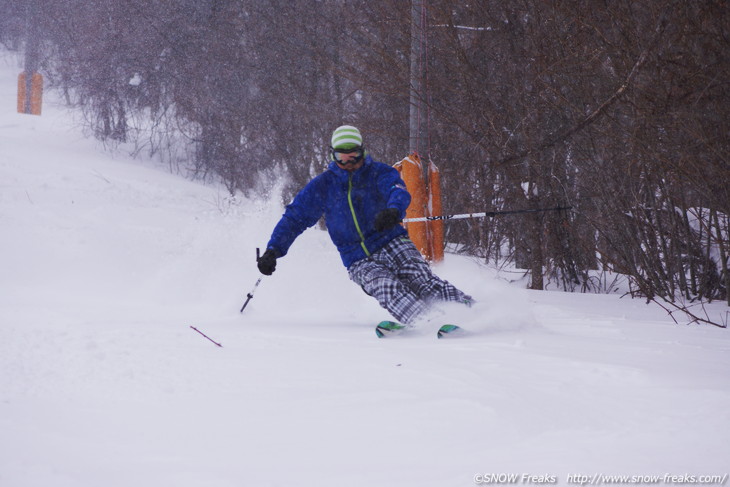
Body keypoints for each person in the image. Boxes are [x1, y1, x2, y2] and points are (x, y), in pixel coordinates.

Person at [257, 125, 472, 325]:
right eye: (342, 156)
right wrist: (273, 250)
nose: (349, 162)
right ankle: (428, 322)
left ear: (363, 151)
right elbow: (295, 218)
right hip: (357, 257)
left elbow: (397, 190)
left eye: (354, 155)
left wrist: (393, 210)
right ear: (333, 155)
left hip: (391, 240)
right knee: (386, 286)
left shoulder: (379, 173)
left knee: (421, 280)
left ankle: (471, 312)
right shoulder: (324, 185)